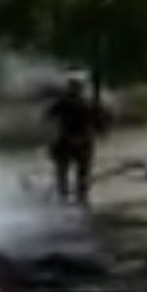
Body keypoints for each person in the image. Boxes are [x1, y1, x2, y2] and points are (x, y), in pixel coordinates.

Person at [44, 76, 111, 204]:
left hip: (74, 141)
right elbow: (99, 122)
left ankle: (73, 197)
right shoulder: (80, 103)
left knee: (72, 173)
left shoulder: (73, 102)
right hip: (72, 141)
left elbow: (48, 118)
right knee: (73, 172)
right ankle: (75, 197)